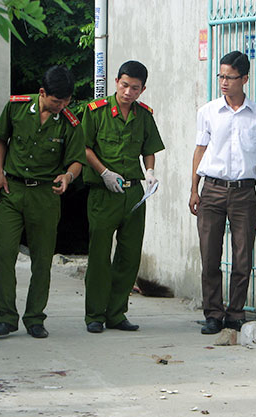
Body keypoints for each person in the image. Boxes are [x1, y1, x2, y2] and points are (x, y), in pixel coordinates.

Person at [0, 66, 86, 339]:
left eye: (66, 101)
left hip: (45, 195)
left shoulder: (70, 122)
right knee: (4, 255)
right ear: (42, 93)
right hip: (12, 190)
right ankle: (6, 317)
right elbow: (0, 140)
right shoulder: (16, 108)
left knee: (42, 260)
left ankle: (35, 318)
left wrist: (68, 176)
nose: (62, 106)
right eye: (57, 101)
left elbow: (76, 160)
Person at [189, 51, 256, 335]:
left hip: (244, 192)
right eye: (221, 76)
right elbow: (199, 150)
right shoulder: (208, 112)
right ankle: (213, 313)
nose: (224, 82)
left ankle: (235, 312)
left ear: (244, 79)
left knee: (243, 255)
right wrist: (194, 188)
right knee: (210, 254)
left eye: (230, 77)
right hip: (212, 189)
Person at [82, 60, 165, 333]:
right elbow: (84, 148)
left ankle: (116, 314)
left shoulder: (144, 115)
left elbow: (149, 147)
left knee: (129, 257)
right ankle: (95, 314)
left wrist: (150, 171)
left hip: (133, 195)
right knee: (99, 256)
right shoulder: (96, 112)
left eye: (135, 88)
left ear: (142, 90)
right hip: (104, 193)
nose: (128, 92)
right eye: (125, 85)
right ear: (117, 81)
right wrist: (104, 172)